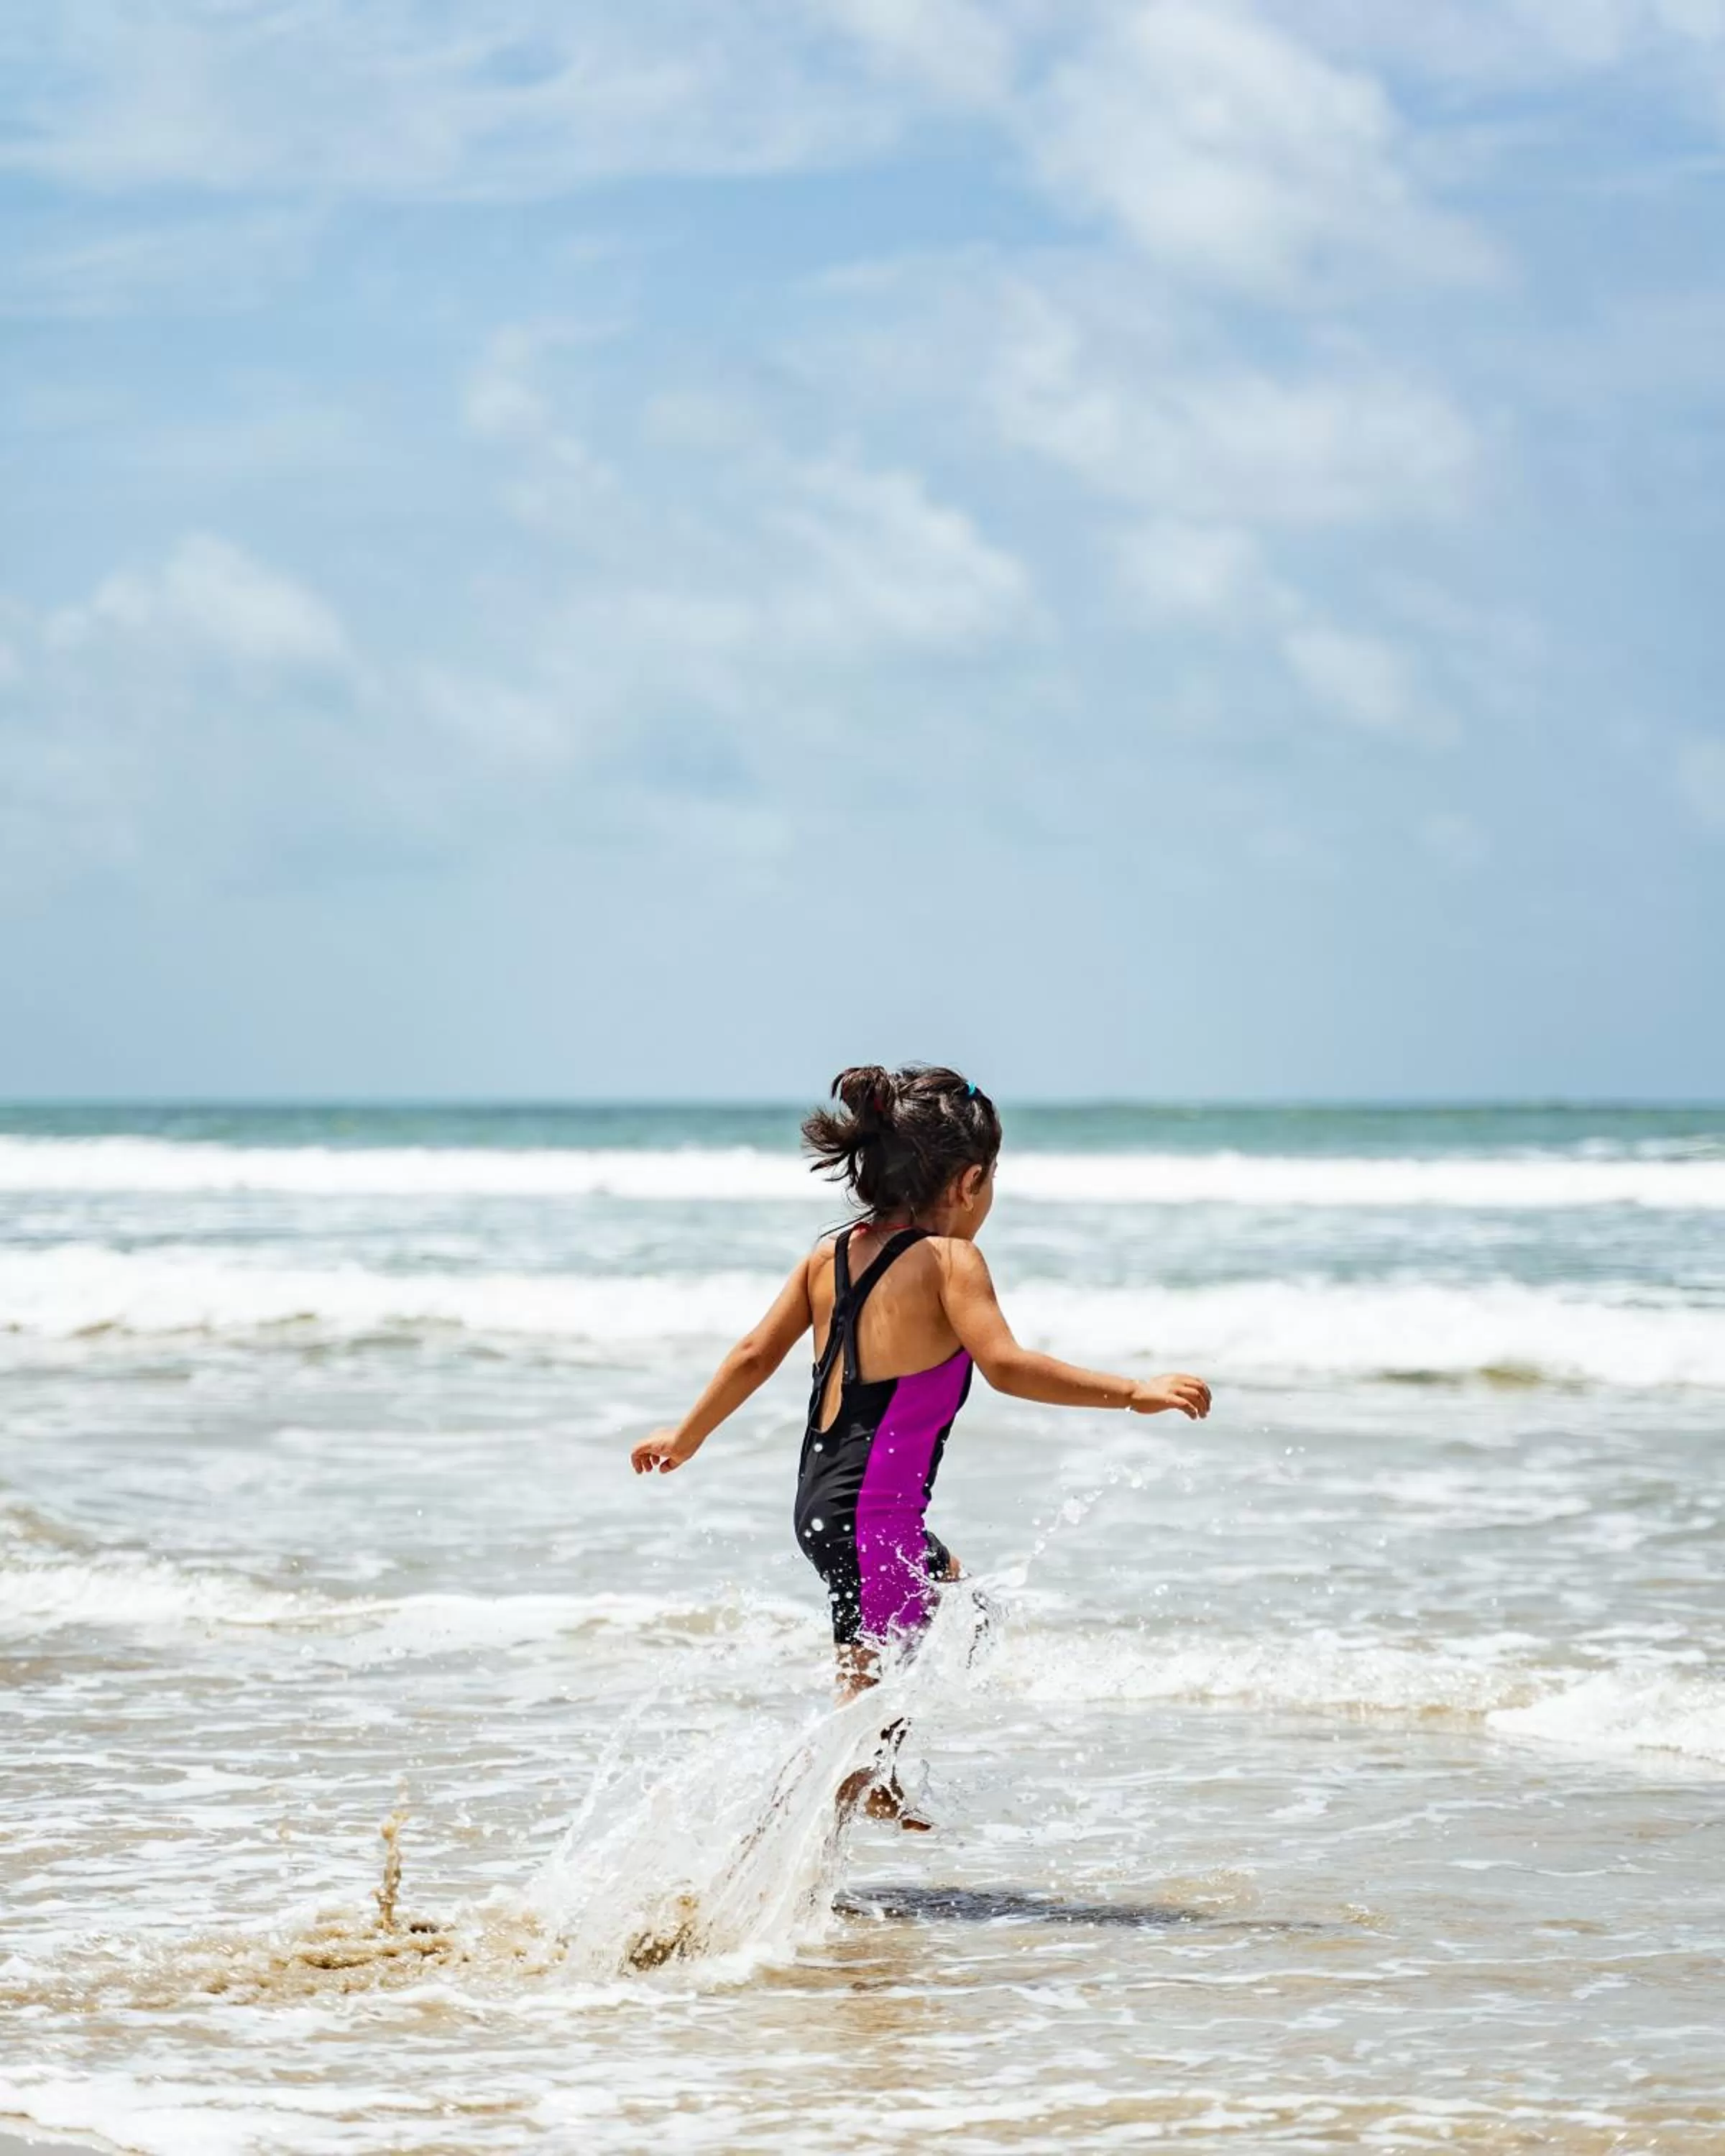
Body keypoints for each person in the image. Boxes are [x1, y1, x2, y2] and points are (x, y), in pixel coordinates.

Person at [629, 1064, 1212, 1823]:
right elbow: (1005, 1365)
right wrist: (1130, 1391)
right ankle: (777, 1838)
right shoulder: (948, 1261)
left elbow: (751, 1355)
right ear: (970, 1182)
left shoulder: (829, 1255)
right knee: (865, 1697)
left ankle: (875, 1775)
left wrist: (688, 1435)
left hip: (826, 1510)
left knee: (941, 1608)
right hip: (873, 1521)